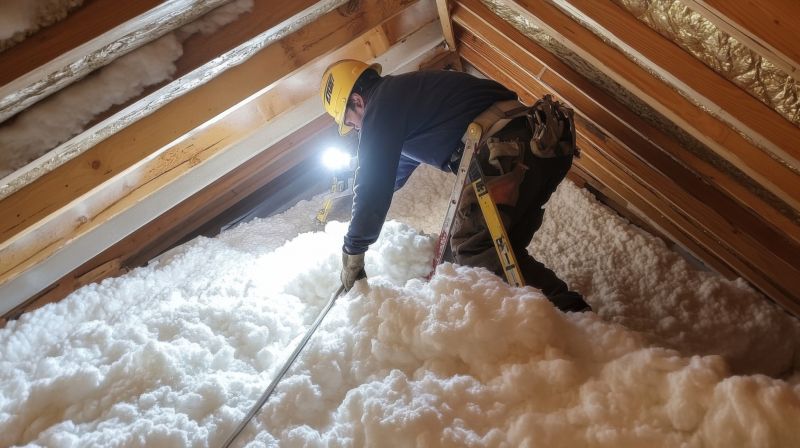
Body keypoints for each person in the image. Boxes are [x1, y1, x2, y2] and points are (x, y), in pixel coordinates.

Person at [318, 59, 590, 313]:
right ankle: (554, 314)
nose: (355, 129)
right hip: (538, 144)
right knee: (489, 251)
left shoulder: (381, 103)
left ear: (357, 101)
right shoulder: (404, 98)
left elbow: (373, 188)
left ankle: (572, 317)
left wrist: (353, 250)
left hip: (507, 150)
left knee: (474, 250)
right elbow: (387, 179)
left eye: (349, 121)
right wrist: (355, 197)